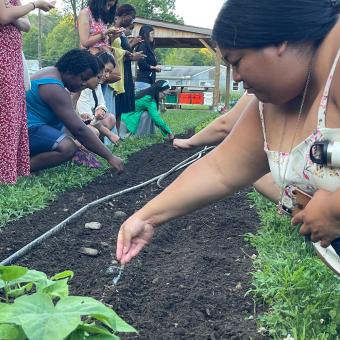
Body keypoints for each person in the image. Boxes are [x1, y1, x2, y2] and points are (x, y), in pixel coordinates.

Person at [116, 0, 340, 266]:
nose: (235, 78)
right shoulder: (271, 104)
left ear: (279, 41)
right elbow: (221, 170)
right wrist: (145, 217)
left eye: (237, 61)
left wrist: (334, 208)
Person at [26, 48, 124, 173]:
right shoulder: (54, 87)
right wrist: (110, 157)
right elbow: (78, 129)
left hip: (37, 126)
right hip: (28, 130)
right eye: (82, 78)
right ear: (69, 71)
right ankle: (22, 168)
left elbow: (73, 124)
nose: (84, 84)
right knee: (68, 147)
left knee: (81, 136)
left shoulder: (51, 72)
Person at [173, 93, 281, 203]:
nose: (237, 78)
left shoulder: (258, 87)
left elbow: (225, 125)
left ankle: (296, 211)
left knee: (260, 177)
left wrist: (190, 142)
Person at [0, 0, 55, 184]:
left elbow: (26, 25)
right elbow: (4, 16)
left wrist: (12, 14)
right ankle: (4, 175)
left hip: (13, 57)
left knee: (14, 115)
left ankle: (11, 171)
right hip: (3, 57)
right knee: (6, 115)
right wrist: (35, 4)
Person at [111, 4, 145, 130]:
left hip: (124, 69)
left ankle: (116, 135)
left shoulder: (123, 34)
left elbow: (124, 50)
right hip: (116, 69)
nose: (132, 21)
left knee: (119, 108)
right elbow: (113, 49)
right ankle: (112, 135)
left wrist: (131, 53)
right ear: (124, 16)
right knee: (115, 105)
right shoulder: (113, 29)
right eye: (131, 18)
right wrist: (129, 55)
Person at [76, 52, 120, 145]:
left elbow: (101, 103)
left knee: (110, 118)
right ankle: (85, 152)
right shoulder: (83, 85)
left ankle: (93, 145)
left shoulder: (97, 84)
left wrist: (101, 109)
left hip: (89, 121)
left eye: (110, 72)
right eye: (106, 70)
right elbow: (86, 118)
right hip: (79, 123)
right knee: (94, 131)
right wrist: (109, 134)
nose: (107, 75)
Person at [135, 24, 161, 92]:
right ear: (146, 34)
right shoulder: (142, 46)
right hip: (144, 81)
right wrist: (154, 67)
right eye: (152, 34)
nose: (153, 36)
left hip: (149, 80)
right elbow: (141, 62)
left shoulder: (149, 47)